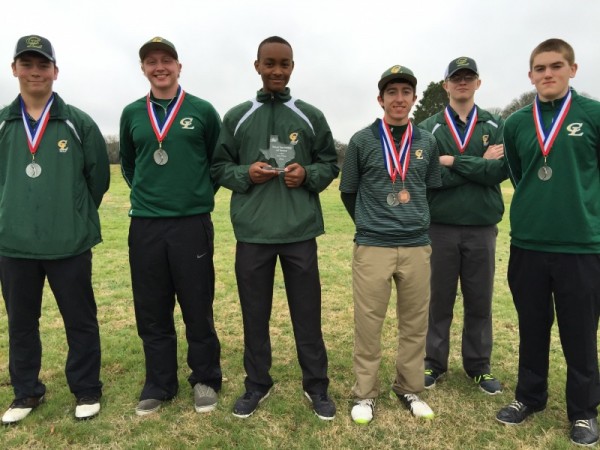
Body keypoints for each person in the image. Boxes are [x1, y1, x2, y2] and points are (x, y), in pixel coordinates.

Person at [211, 36, 338, 421]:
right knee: (254, 313)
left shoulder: (309, 115)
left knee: (307, 313)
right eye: (270, 63)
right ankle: (257, 383)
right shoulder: (237, 116)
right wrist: (244, 173)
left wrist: (309, 173)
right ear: (257, 66)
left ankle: (316, 385)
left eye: (284, 64)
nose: (277, 71)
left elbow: (330, 162)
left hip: (299, 231)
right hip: (253, 233)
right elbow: (218, 167)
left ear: (293, 67)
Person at [496, 38, 600, 447]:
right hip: (529, 244)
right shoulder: (517, 122)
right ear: (530, 75)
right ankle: (529, 398)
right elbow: (519, 171)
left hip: (582, 246)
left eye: (556, 66)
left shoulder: (593, 114)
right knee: (532, 328)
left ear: (572, 70)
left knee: (580, 332)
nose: (547, 74)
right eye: (539, 68)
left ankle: (583, 412)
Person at [0, 35, 110, 423]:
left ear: (55, 72)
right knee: (21, 324)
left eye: (42, 65)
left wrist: (73, 215)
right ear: (14, 69)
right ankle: (26, 393)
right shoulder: (2, 122)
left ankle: (86, 390)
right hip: (13, 245)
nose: (35, 72)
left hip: (69, 244)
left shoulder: (76, 121)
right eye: (27, 64)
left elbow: (98, 178)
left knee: (80, 320)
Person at [119, 37, 222, 416]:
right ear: (143, 69)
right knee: (151, 309)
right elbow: (130, 165)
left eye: (166, 60)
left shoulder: (202, 110)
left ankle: (206, 378)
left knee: (197, 305)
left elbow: (216, 162)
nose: (159, 67)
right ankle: (159, 383)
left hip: (191, 223)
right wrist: (151, 196)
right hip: (145, 225)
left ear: (179, 66)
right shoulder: (132, 113)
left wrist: (193, 195)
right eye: (151, 62)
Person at [340, 65, 442, 425]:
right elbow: (348, 191)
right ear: (380, 99)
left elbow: (430, 187)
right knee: (369, 324)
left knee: (414, 323)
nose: (399, 99)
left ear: (414, 99)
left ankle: (409, 387)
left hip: (416, 246)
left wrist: (408, 220)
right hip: (373, 246)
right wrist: (372, 224)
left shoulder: (427, 141)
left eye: (405, 92)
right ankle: (365, 394)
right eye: (392, 92)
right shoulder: (362, 140)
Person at [418, 57, 505, 395]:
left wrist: (454, 161)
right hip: (440, 227)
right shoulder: (428, 128)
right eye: (456, 78)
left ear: (478, 83)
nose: (462, 83)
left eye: (469, 77)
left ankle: (479, 366)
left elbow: (499, 172)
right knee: (439, 299)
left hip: (482, 226)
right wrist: (477, 166)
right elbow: (428, 177)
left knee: (479, 300)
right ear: (446, 85)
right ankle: (433, 363)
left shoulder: (496, 125)